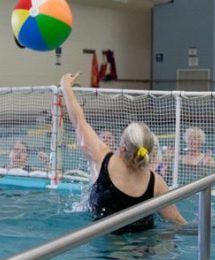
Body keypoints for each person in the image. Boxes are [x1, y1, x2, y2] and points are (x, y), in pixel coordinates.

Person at [60, 73, 187, 234]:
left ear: (122, 148)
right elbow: (176, 220)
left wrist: (66, 87)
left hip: (105, 250)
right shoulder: (157, 183)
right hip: (142, 253)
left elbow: (79, 121)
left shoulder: (102, 158)